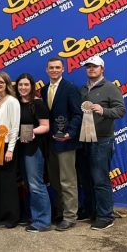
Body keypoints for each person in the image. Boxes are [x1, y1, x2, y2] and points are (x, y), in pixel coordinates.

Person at [79, 55, 125, 230]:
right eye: (88, 66)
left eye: (95, 66)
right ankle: (92, 211)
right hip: (84, 140)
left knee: (100, 179)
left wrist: (103, 110)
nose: (91, 69)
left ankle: (106, 216)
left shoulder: (110, 88)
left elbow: (120, 110)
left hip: (102, 140)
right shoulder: (83, 89)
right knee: (86, 178)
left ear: (102, 69)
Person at [40, 57, 82, 231]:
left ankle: (70, 216)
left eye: (58, 67)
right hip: (50, 143)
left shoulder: (70, 88)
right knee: (56, 181)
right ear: (47, 70)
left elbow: (78, 114)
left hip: (66, 143)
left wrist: (69, 133)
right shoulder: (43, 90)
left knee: (68, 181)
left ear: (63, 69)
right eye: (51, 67)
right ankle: (60, 211)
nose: (54, 70)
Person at [15, 73, 51, 232]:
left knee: (36, 185)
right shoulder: (15, 103)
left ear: (31, 86)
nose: (23, 88)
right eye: (20, 85)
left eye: (26, 85)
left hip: (33, 149)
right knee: (29, 185)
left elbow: (45, 126)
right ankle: (33, 216)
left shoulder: (38, 104)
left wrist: (30, 132)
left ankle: (42, 221)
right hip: (19, 149)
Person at [0, 72, 20, 229]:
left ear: (7, 84)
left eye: (1, 82)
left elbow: (14, 128)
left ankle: (11, 218)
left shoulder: (12, 102)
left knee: (8, 183)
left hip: (7, 146)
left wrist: (11, 150)